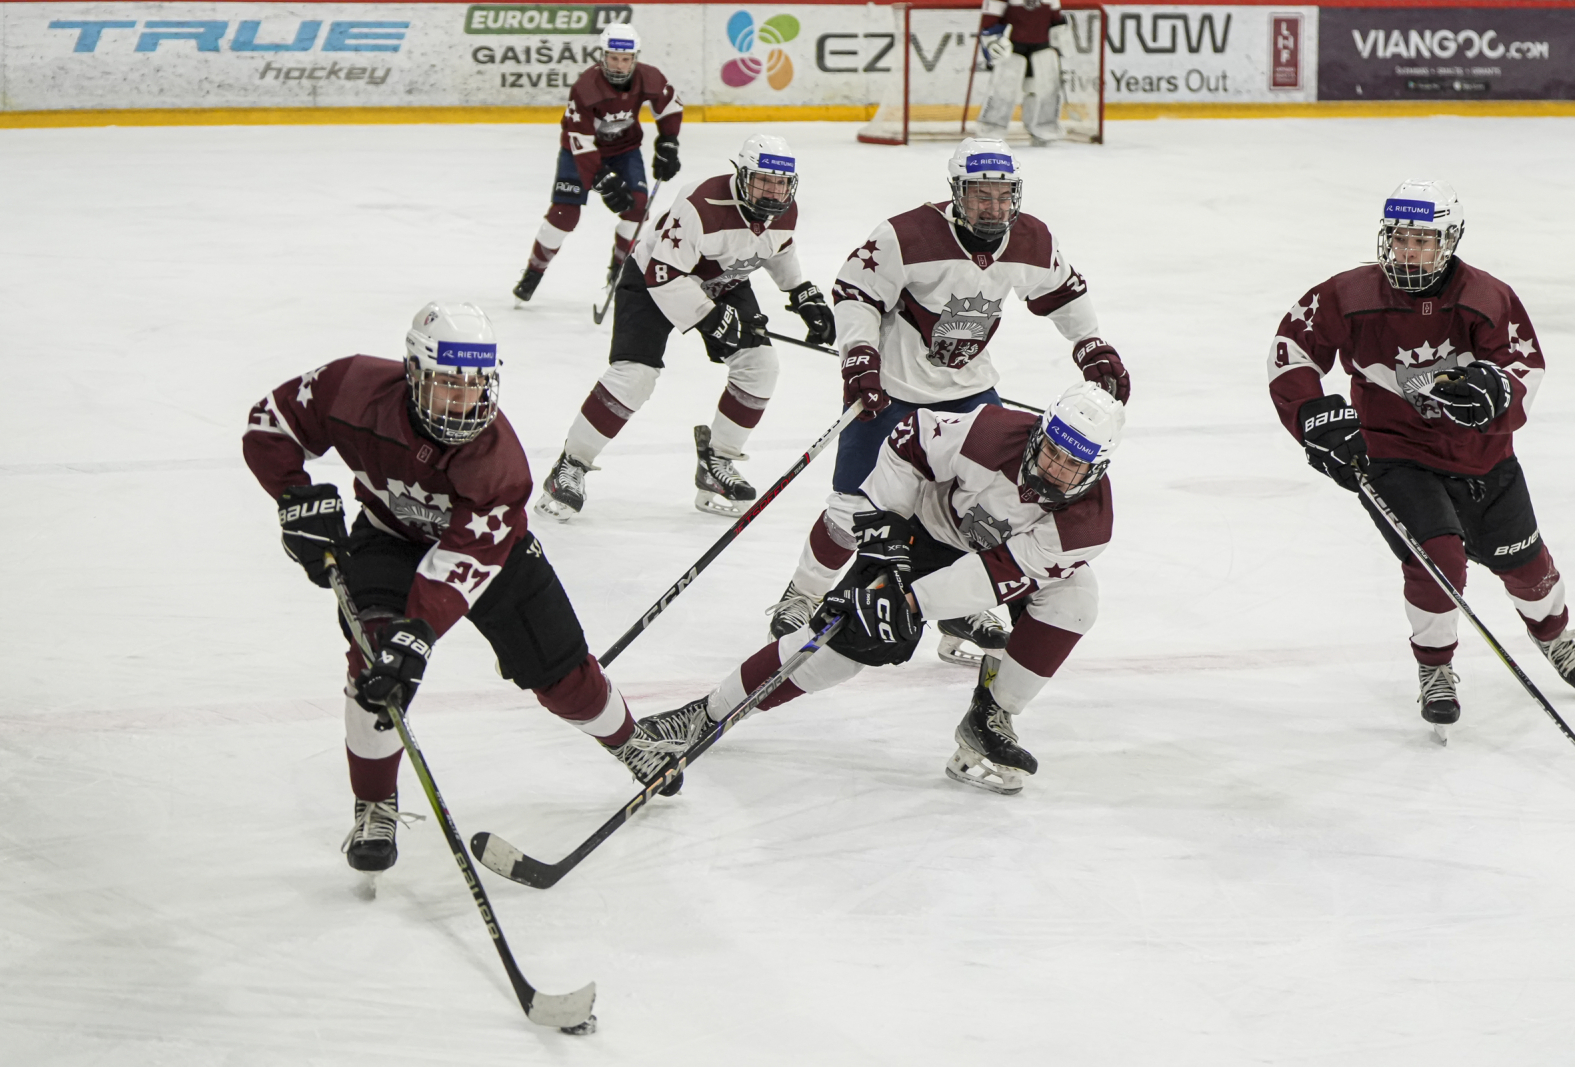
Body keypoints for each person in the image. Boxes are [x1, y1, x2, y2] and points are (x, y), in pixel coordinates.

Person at [242, 303, 687, 875]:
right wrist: (293, 494)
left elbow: (463, 561)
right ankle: (375, 803)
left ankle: (629, 741)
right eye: (448, 385)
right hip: (388, 536)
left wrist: (420, 631)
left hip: (494, 556)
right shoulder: (351, 386)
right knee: (375, 665)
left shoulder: (498, 464)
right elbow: (270, 422)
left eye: (475, 386)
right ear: (413, 373)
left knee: (563, 675)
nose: (463, 401)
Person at [639, 383, 1124, 796]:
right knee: (841, 647)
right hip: (923, 531)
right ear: (1039, 433)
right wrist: (884, 546)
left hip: (992, 561)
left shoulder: (1086, 526)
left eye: (1070, 464)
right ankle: (703, 715)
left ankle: (990, 715)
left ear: (1096, 469)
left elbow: (992, 575)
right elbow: (908, 440)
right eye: (1051, 450)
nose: (1054, 467)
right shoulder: (990, 432)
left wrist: (909, 602)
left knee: (1075, 600)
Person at [764, 137, 1127, 669]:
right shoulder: (905, 235)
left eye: (1003, 196)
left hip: (969, 394)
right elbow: (855, 292)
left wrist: (1089, 343)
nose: (994, 208)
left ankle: (959, 609)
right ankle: (803, 592)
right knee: (851, 511)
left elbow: (1063, 291)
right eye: (981, 195)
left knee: (981, 511)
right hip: (891, 391)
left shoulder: (1032, 239)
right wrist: (860, 353)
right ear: (956, 192)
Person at [1269, 180, 1574, 732]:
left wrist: (1498, 391)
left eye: (1423, 241)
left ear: (1449, 241)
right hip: (1394, 455)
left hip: (1483, 459)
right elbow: (1290, 352)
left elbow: (1524, 366)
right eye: (1400, 238)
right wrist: (1313, 414)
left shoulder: (1486, 298)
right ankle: (1434, 667)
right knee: (1438, 559)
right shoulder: (1347, 294)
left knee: (1526, 566)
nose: (1408, 251)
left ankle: (1556, 637)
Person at [535, 133, 834, 520]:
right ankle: (571, 464)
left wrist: (801, 293)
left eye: (780, 183)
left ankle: (717, 462)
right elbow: (663, 275)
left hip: (722, 279)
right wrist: (710, 317)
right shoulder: (701, 204)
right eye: (764, 181)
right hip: (654, 277)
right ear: (742, 175)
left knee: (760, 365)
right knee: (635, 375)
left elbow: (777, 248)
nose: (773, 192)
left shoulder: (783, 209)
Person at [512, 23, 684, 304]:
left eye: (625, 59)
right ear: (603, 56)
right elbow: (579, 138)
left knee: (637, 207)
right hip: (578, 153)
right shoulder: (586, 87)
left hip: (624, 150)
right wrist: (601, 178)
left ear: (635, 58)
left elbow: (670, 106)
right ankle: (533, 272)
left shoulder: (650, 77)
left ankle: (619, 271)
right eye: (613, 58)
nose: (619, 65)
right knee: (564, 214)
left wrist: (669, 142)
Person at [973, 0, 1069, 145]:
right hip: (1012, 48)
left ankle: (1044, 128)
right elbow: (988, 22)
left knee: (1045, 90)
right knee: (1004, 90)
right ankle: (991, 129)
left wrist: (1060, 41)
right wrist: (992, 42)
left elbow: (1056, 19)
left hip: (1042, 47)